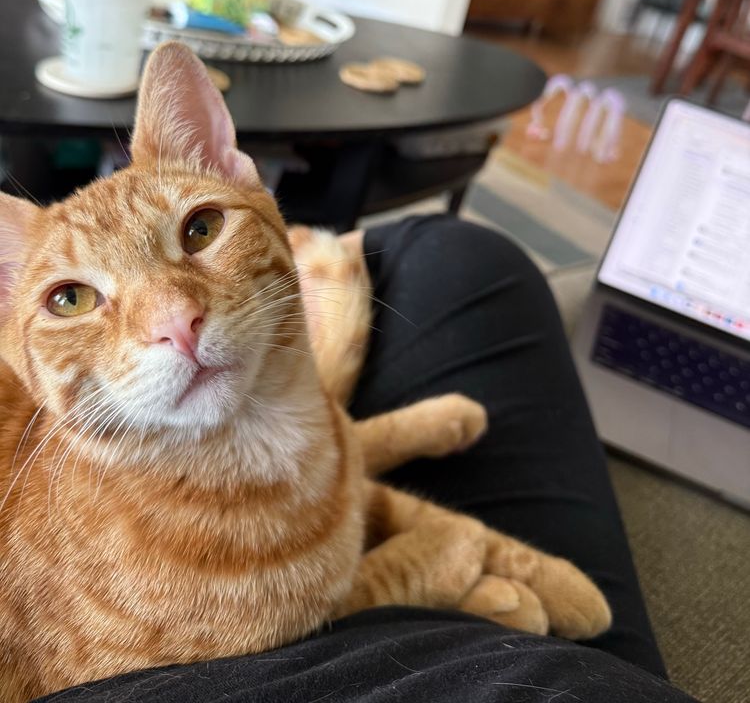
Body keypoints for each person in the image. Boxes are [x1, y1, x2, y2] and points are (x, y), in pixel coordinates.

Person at [40, 216, 699, 702]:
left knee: (470, 253)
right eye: (71, 297)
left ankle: (359, 430)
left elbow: (295, 486)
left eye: (198, 227)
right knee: (455, 260)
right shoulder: (109, 591)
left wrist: (497, 554)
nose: (174, 319)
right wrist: (426, 564)